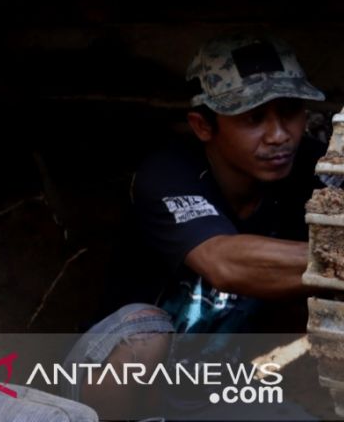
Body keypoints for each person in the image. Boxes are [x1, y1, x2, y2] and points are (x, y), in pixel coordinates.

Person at [68, 33, 328, 419]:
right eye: (253, 118)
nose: (279, 135)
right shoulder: (168, 173)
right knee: (144, 329)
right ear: (203, 125)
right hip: (119, 379)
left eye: (290, 111)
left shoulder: (310, 167)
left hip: (221, 388)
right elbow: (223, 262)